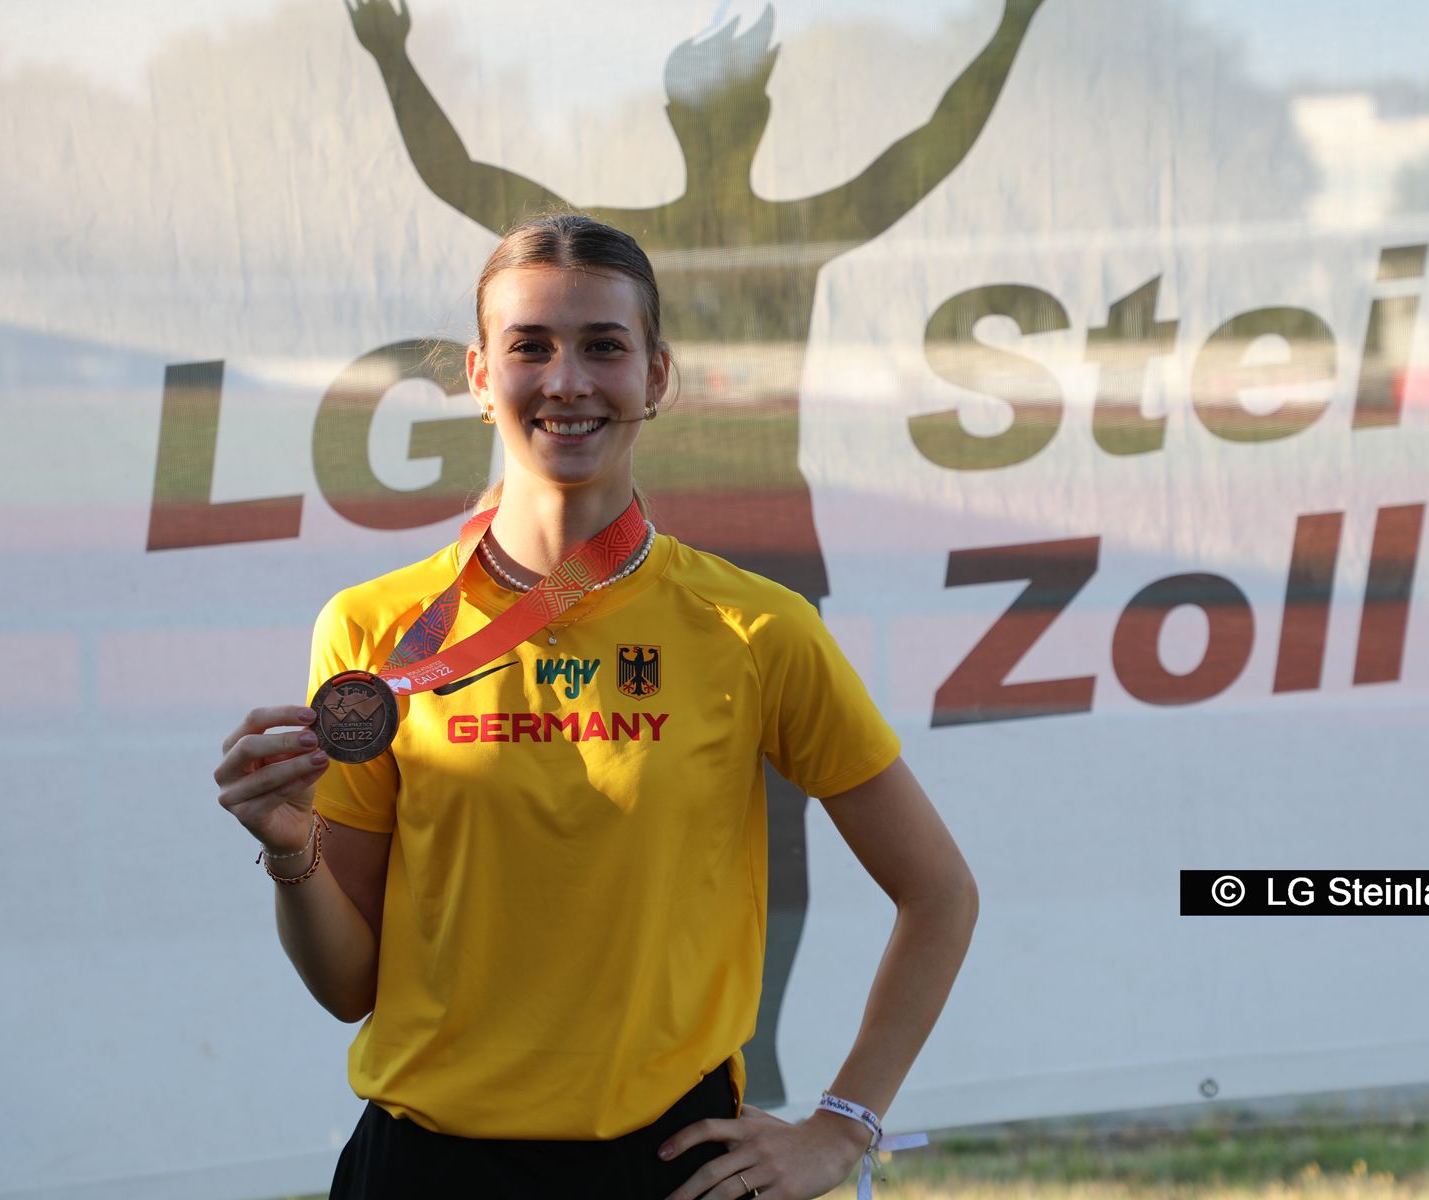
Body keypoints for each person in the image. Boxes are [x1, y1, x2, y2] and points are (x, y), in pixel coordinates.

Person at [213, 213, 978, 1199]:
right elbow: (346, 987)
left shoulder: (755, 628)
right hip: (427, 1168)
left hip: (667, 1170)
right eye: (530, 346)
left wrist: (844, 1125)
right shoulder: (374, 630)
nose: (567, 381)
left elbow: (939, 892)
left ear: (656, 376)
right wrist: (290, 852)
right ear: (480, 377)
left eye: (603, 347)